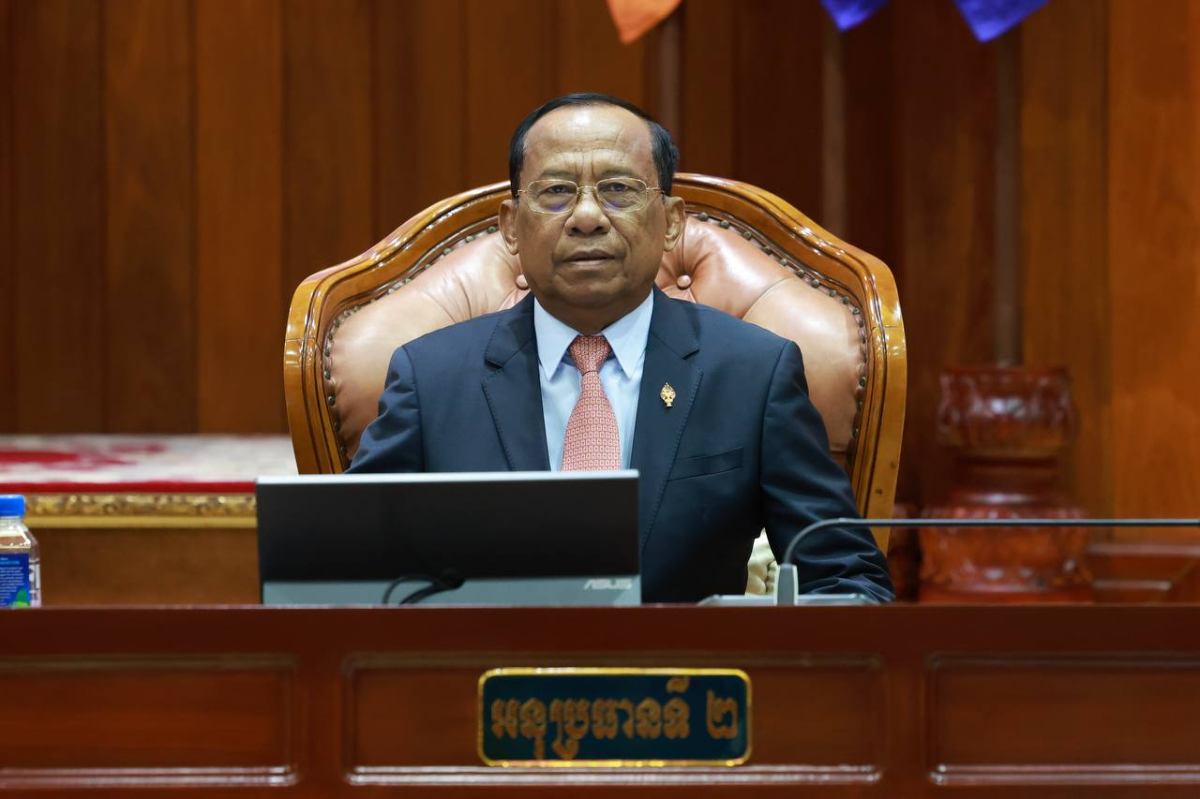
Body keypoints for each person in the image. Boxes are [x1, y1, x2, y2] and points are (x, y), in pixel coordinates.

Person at [349, 92, 894, 603]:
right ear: (511, 227)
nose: (587, 217)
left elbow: (847, 579)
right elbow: (347, 576)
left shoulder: (753, 373)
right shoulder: (431, 379)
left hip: (685, 672)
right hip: (489, 669)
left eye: (618, 190)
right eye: (556, 192)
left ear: (671, 222)